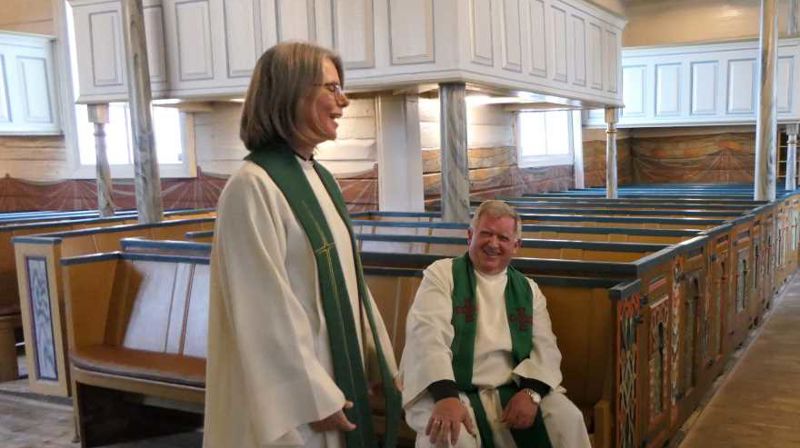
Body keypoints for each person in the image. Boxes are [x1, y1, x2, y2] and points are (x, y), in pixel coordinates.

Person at [203, 42, 400, 448]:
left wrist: (376, 355)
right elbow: (262, 308)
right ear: (291, 93)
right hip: (295, 402)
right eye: (331, 88)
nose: (343, 101)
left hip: (335, 377)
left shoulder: (320, 179)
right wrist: (309, 394)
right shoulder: (252, 186)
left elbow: (350, 282)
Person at [399, 200, 590, 448]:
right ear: (470, 236)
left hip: (513, 389)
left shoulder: (528, 290)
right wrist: (446, 397)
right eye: (486, 234)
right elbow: (427, 336)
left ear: (516, 245)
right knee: (450, 438)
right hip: (449, 387)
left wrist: (531, 394)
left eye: (503, 237)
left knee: (567, 419)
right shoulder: (442, 275)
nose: (493, 244)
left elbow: (546, 348)